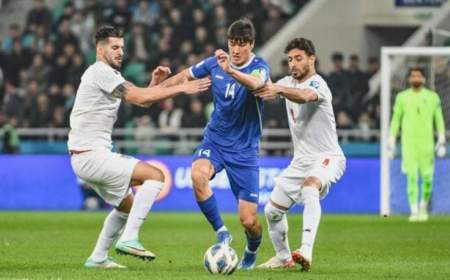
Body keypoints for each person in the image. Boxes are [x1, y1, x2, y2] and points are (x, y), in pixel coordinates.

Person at [68, 26, 210, 269]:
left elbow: (142, 97)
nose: (120, 52)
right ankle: (129, 238)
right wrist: (182, 87)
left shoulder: (110, 76)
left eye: (122, 47)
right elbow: (141, 98)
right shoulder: (100, 71)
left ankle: (98, 258)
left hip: (87, 156)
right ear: (99, 49)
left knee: (126, 206)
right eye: (114, 47)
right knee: (155, 176)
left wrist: (155, 83)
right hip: (91, 155)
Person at [156, 18, 270, 270]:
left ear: (251, 44)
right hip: (215, 141)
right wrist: (155, 89)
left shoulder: (259, 66)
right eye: (232, 43)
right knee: (198, 175)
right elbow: (184, 76)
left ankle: (252, 250)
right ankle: (221, 233)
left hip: (244, 151)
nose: (236, 49)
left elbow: (258, 85)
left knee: (249, 221)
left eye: (241, 44)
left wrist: (231, 71)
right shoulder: (213, 63)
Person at [254, 38, 346, 271]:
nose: (293, 64)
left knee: (310, 187)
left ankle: (305, 249)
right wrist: (232, 70)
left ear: (311, 59)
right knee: (272, 211)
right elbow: (260, 86)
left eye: (298, 59)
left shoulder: (318, 85)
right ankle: (283, 258)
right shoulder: (286, 82)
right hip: (300, 160)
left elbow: (304, 96)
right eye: (289, 60)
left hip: (327, 156)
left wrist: (279, 89)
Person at [388, 67, 446, 222]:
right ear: (409, 79)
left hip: (427, 144)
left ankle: (423, 207)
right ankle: (414, 210)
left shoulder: (433, 97)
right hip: (409, 145)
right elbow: (396, 119)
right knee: (412, 178)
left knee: (428, 179)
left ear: (424, 79)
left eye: (418, 75)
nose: (415, 78)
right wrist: (391, 140)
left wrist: (441, 139)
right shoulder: (402, 97)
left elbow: (439, 119)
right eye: (413, 76)